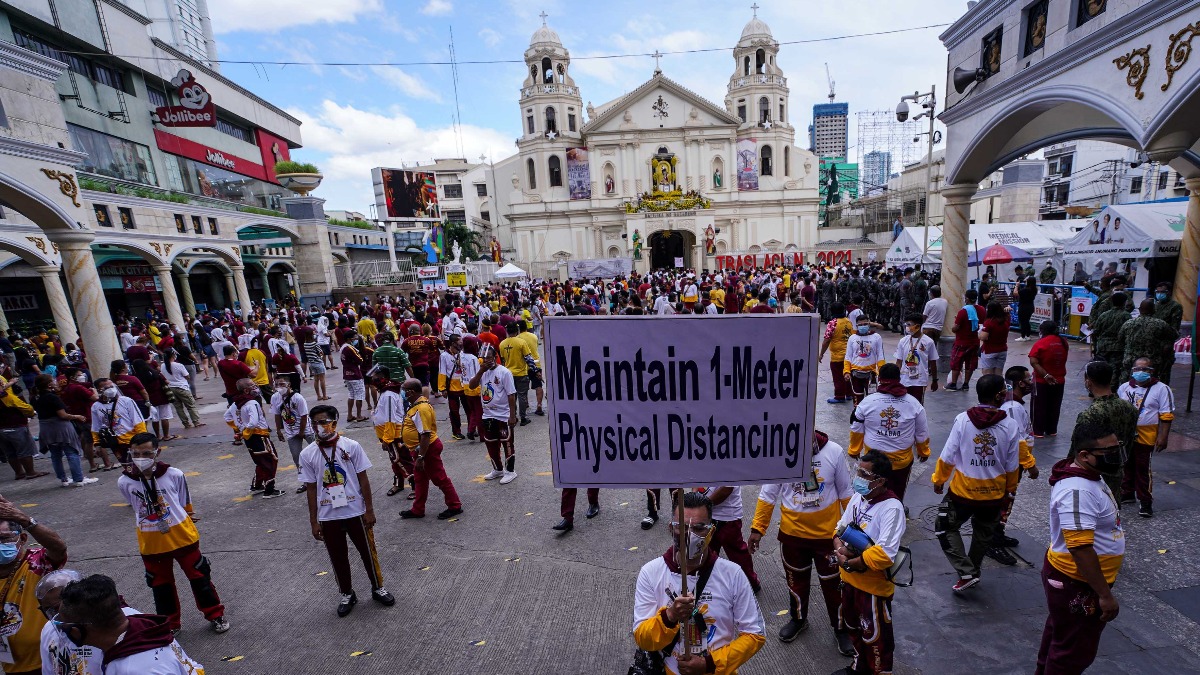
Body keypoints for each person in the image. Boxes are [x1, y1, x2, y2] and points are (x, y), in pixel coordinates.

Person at [632, 491, 766, 675]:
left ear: (711, 531)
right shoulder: (651, 573)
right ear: (671, 528)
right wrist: (669, 616)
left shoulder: (733, 574)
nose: (690, 535)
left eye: (699, 528)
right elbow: (643, 638)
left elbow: (755, 634)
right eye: (683, 527)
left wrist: (709, 664)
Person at [749, 431, 853, 653]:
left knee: (835, 585)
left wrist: (856, 532)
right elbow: (768, 495)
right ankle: (798, 619)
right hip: (792, 536)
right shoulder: (778, 455)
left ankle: (841, 628)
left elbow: (846, 493)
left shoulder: (833, 452)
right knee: (796, 582)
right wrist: (758, 528)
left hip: (829, 538)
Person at [117, 432, 230, 634]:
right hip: (152, 542)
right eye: (135, 454)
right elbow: (135, 507)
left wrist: (186, 517)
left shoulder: (173, 474)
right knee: (160, 586)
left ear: (157, 452)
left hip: (182, 536)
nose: (141, 458)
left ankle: (215, 614)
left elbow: (184, 501)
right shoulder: (125, 482)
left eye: (146, 453)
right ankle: (170, 624)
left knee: (200, 577)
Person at [1035, 422, 1125, 675]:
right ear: (1084, 456)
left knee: (1061, 636)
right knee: (1072, 653)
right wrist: (1105, 595)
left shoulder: (1090, 477)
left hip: (1078, 580)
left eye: (1117, 449)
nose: (1115, 456)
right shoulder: (1078, 489)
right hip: (1076, 581)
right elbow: (1080, 548)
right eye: (1108, 452)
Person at [299, 404, 394, 617]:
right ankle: (347, 593)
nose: (319, 427)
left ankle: (378, 587)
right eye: (315, 423)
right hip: (328, 514)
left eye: (323, 422)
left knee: (368, 552)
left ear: (334, 422)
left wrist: (369, 509)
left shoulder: (351, 446)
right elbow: (311, 489)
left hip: (355, 511)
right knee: (337, 556)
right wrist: (314, 521)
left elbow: (363, 479)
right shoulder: (308, 454)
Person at [931, 375, 1021, 593]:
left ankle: (966, 571)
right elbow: (1012, 466)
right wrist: (1010, 492)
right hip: (994, 494)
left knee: (943, 526)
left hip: (962, 493)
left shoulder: (963, 419)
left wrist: (939, 479)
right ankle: (972, 571)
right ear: (999, 396)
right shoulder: (1010, 425)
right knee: (983, 534)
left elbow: (948, 455)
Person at [832, 450, 905, 675]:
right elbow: (838, 528)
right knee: (854, 629)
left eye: (864, 474)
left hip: (872, 589)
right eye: (858, 471)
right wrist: (839, 551)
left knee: (876, 638)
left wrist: (852, 562)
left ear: (880, 480)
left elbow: (885, 554)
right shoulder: (858, 497)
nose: (858, 478)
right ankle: (858, 667)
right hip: (849, 581)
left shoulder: (892, 508)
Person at [53, 574, 206, 674]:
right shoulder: (143, 631)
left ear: (78, 630)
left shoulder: (136, 670)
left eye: (63, 625)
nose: (61, 629)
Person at [0, 498, 67, 674]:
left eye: (3, 538)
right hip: (13, 667)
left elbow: (58, 548)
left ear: (22, 539)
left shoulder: (37, 563)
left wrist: (25, 520)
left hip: (52, 663)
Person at [848, 363, 930, 506]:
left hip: (873, 462)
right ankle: (895, 510)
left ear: (880, 379)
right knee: (897, 491)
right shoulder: (914, 404)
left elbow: (856, 428)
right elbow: (922, 432)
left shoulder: (867, 402)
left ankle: (869, 511)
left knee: (871, 489)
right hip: (901, 462)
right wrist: (923, 452)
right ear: (899, 379)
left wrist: (854, 449)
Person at [37, 568, 139, 675]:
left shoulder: (123, 622)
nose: (57, 617)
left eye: (59, 607)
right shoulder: (50, 629)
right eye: (48, 611)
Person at [988, 366, 1040, 566]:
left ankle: (998, 533)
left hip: (1015, 464)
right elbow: (1017, 440)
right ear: (1019, 383)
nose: (1030, 382)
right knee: (1004, 500)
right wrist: (1030, 464)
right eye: (1028, 379)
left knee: (1007, 500)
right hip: (1011, 464)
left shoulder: (1015, 406)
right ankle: (992, 541)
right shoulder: (1012, 408)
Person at [398, 378, 463, 520]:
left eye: (404, 390)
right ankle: (418, 509)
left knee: (440, 478)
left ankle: (455, 505)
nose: (402, 393)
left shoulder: (421, 409)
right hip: (420, 450)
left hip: (427, 450)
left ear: (411, 392)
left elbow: (425, 435)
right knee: (420, 480)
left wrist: (421, 457)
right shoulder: (417, 405)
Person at [1117, 357, 1174, 518]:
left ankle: (1145, 501)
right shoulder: (1124, 387)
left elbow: (1166, 415)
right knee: (1126, 464)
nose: (1141, 372)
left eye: (1145, 369)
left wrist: (1163, 437)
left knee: (1142, 468)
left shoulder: (1162, 389)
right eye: (1137, 369)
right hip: (1127, 434)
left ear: (1151, 372)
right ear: (1132, 371)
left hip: (1146, 435)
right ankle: (1127, 493)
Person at [1075, 361, 1138, 495]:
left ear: (1088, 382)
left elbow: (1076, 451)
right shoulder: (1130, 408)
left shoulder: (1090, 414)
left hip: (1094, 474)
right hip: (1118, 469)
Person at [31, 374, 96, 488]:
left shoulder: (36, 398)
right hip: (60, 427)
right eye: (53, 380)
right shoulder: (53, 397)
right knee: (71, 452)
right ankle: (78, 478)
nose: (56, 382)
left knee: (55, 455)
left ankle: (63, 479)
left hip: (46, 428)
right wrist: (77, 416)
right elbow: (63, 415)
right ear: (49, 384)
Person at [225, 378, 283, 499]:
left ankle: (257, 485)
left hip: (249, 438)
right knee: (270, 460)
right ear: (246, 390)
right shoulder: (252, 403)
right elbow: (253, 422)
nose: (256, 386)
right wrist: (245, 430)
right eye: (252, 385)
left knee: (260, 461)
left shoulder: (236, 403)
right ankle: (269, 490)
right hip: (259, 436)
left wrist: (239, 429)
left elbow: (227, 417)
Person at [469, 344, 517, 485]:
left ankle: (510, 471)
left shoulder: (504, 372)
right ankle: (498, 469)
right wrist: (480, 372)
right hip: (488, 415)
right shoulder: (482, 372)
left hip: (503, 415)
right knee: (491, 443)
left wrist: (512, 416)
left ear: (495, 357)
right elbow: (471, 386)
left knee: (506, 443)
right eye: (484, 359)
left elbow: (511, 395)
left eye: (489, 358)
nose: (486, 361)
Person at [369, 366, 413, 497]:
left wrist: (387, 439)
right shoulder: (384, 391)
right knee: (394, 460)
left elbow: (390, 418)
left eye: (375, 377)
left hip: (394, 435)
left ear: (382, 377)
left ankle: (416, 486)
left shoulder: (388, 395)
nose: (372, 379)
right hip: (387, 434)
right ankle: (398, 483)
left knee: (402, 460)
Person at [1116, 299, 1176, 384]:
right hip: (1151, 362)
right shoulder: (1161, 324)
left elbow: (1120, 339)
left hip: (1131, 361)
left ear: (1139, 309)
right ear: (1154, 310)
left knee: (1128, 384)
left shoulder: (1128, 323)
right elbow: (1172, 336)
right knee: (1151, 385)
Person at [89, 378, 146, 465]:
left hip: (132, 441)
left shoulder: (126, 401)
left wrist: (143, 439)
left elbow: (138, 420)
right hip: (115, 443)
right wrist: (97, 444)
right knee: (127, 467)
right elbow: (96, 426)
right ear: (99, 390)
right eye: (106, 388)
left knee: (141, 466)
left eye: (112, 386)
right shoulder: (96, 407)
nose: (110, 389)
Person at [271, 373, 312, 494]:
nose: (279, 387)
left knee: (317, 451)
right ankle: (305, 482)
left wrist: (301, 431)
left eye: (282, 384)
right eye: (277, 384)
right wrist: (279, 430)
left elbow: (304, 416)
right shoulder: (275, 398)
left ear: (289, 385)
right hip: (291, 431)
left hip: (306, 429)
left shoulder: (298, 398)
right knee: (296, 457)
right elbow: (277, 414)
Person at [1028, 321, 1069, 437]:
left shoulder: (1041, 343)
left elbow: (1033, 361)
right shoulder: (1064, 342)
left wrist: (1045, 375)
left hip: (1042, 381)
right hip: (1059, 380)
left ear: (1043, 331)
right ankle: (1052, 430)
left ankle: (1038, 431)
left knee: (1039, 406)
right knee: (1054, 406)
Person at [438, 336, 480, 441]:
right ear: (452, 343)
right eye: (459, 342)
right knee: (454, 412)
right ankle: (456, 432)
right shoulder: (444, 356)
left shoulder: (462, 355)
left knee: (469, 410)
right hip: (452, 388)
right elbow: (442, 372)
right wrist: (442, 388)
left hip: (464, 386)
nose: (461, 343)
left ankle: (471, 429)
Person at [893, 312, 938, 403]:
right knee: (903, 404)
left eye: (909, 325)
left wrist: (934, 380)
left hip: (920, 381)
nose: (907, 327)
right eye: (906, 325)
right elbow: (899, 361)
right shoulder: (903, 341)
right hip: (904, 379)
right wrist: (895, 379)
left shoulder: (928, 342)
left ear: (918, 326)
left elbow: (933, 362)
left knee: (917, 405)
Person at [946, 289, 985, 391]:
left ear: (967, 298)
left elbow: (955, 328)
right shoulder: (982, 310)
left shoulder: (963, 312)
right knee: (970, 364)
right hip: (974, 342)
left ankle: (953, 384)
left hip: (961, 342)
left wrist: (955, 322)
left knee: (956, 363)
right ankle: (966, 384)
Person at [843, 315, 885, 407]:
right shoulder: (852, 338)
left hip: (871, 374)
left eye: (865, 324)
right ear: (857, 326)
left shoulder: (876, 337)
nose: (863, 326)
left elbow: (880, 356)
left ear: (869, 324)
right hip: (855, 374)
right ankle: (858, 418)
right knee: (858, 401)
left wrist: (882, 373)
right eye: (860, 325)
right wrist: (846, 371)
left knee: (873, 400)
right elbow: (848, 356)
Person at [818, 303, 854, 404]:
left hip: (837, 356)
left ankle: (839, 396)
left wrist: (821, 354)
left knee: (838, 376)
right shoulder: (848, 321)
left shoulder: (833, 323)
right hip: (849, 354)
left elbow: (826, 340)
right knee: (847, 374)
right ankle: (849, 394)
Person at [499, 322, 533, 425]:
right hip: (521, 373)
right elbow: (528, 358)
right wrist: (535, 371)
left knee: (511, 396)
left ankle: (512, 416)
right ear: (517, 330)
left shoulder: (502, 344)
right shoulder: (521, 342)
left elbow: (503, 360)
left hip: (508, 374)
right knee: (522, 396)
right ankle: (523, 417)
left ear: (507, 331)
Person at [1091, 291, 1130, 376]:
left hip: (1103, 346)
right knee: (1114, 371)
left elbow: (1095, 332)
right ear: (1124, 302)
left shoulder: (1104, 315)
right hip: (1118, 348)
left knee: (1101, 370)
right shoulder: (1126, 316)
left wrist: (1096, 346)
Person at [160, 349, 201, 430]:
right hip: (182, 387)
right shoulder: (179, 365)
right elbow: (187, 376)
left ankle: (186, 424)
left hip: (171, 388)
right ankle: (196, 422)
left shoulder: (163, 366)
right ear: (172, 355)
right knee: (190, 406)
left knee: (178, 408)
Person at [977, 301, 1010, 376]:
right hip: (1002, 349)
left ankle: (990, 388)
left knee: (988, 374)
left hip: (990, 350)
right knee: (998, 373)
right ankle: (999, 387)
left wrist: (979, 332)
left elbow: (983, 337)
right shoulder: (1006, 320)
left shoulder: (989, 322)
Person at [1015, 277, 1037, 341]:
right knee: (1027, 321)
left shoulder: (1026, 290)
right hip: (1030, 306)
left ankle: (1023, 336)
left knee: (1022, 321)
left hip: (1023, 307)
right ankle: (1028, 335)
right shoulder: (1034, 289)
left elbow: (1015, 293)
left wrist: (1016, 286)